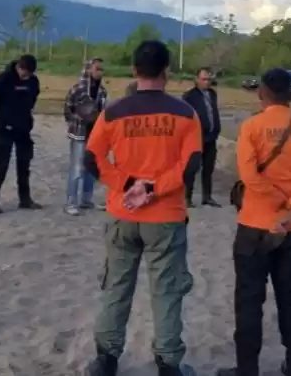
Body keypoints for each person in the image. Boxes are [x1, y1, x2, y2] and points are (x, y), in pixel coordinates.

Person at [83, 40, 201, 376]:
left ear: (135, 70)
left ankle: (106, 359)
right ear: (167, 71)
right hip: (166, 218)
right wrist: (153, 188)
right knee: (167, 291)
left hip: (123, 214)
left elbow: (92, 158)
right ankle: (168, 362)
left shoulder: (113, 112)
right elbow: (191, 164)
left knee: (116, 287)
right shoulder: (185, 114)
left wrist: (127, 184)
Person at [216, 69, 291, 376]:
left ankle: (247, 369)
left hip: (255, 225)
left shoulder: (252, 127)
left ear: (261, 93)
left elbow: (249, 175)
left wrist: (275, 198)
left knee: (249, 301)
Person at [0, 55, 42, 213]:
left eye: (30, 74)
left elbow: (33, 99)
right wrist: (5, 117)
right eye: (25, 73)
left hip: (24, 128)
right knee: (1, 164)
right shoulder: (3, 80)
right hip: (4, 129)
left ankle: (25, 199)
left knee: (24, 165)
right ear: (19, 67)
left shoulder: (33, 82)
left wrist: (23, 117)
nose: (26, 76)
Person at [63, 58, 108, 215]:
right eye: (97, 69)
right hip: (79, 134)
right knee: (77, 168)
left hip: (94, 135)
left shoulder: (102, 91)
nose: (100, 72)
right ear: (88, 69)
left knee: (90, 168)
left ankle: (86, 200)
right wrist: (80, 119)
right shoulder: (77, 90)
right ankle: (71, 202)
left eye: (101, 69)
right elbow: (67, 110)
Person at [181, 67, 222, 207]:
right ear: (197, 79)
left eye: (209, 79)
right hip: (196, 138)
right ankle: (187, 197)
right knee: (192, 168)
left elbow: (212, 112)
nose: (207, 82)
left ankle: (207, 197)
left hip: (211, 137)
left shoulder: (212, 94)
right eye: (204, 79)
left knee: (208, 168)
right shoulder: (189, 96)